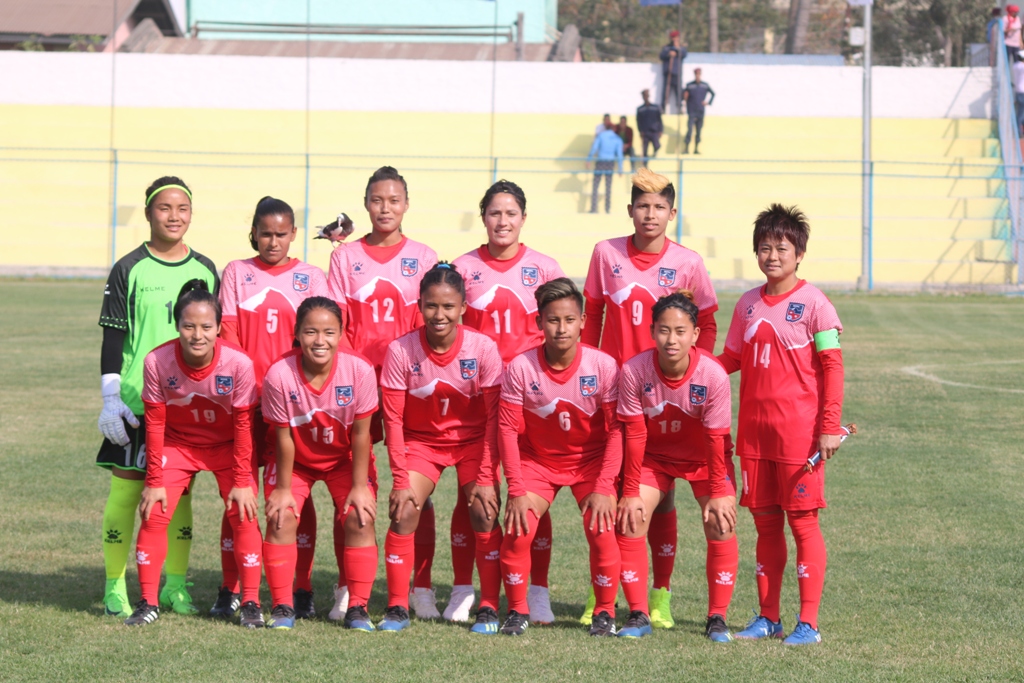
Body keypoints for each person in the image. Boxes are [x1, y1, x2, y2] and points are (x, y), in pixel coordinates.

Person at [582, 167, 718, 629]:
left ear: (672, 213)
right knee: (614, 494)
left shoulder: (689, 263)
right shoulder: (605, 254)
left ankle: (659, 595)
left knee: (661, 498)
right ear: (630, 211)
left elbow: (709, 326)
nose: (650, 214)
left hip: (667, 398)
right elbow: (593, 321)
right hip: (616, 399)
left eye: (659, 207)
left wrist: (696, 380)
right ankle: (601, 593)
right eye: (642, 206)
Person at [718, 204, 845, 646]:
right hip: (755, 435)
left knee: (803, 524)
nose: (772, 255)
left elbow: (832, 366)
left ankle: (807, 624)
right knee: (766, 526)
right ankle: (767, 618)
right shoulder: (748, 304)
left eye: (781, 247)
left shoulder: (816, 304)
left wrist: (829, 426)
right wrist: (689, 371)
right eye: (764, 247)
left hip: (799, 437)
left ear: (799, 253)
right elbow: (731, 358)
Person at [96, 176, 218, 618]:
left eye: (182, 208)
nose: (174, 216)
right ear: (148, 213)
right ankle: (114, 586)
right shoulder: (128, 268)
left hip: (187, 405)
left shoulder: (205, 269)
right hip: (136, 402)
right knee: (127, 497)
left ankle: (175, 586)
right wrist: (111, 397)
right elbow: (114, 339)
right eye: (164, 208)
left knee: (178, 497)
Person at [326, 165, 439, 620]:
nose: (385, 208)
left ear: (406, 204)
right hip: (355, 390)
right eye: (377, 200)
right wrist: (359, 377)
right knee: (351, 489)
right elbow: (335, 326)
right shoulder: (344, 258)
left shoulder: (426, 256)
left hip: (408, 391)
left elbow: (431, 324)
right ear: (366, 204)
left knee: (415, 489)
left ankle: (422, 588)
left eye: (394, 200)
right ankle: (344, 587)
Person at [452, 180, 566, 624]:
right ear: (483, 217)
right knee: (475, 495)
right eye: (495, 213)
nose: (503, 221)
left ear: (523, 218)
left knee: (533, 495)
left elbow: (561, 328)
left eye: (511, 213)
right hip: (475, 398)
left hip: (533, 398)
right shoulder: (463, 267)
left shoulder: (545, 267)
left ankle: (537, 591)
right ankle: (466, 589)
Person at [215, 196, 328, 620]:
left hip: (296, 405)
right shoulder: (237, 273)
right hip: (246, 404)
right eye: (266, 233)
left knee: (295, 493)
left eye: (282, 234)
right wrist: (245, 390)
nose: (273, 241)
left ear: (294, 234)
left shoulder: (311, 276)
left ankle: (301, 586)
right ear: (254, 234)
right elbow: (227, 336)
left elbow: (322, 339)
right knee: (239, 496)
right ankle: (231, 586)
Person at [124, 280, 263, 627]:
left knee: (243, 514)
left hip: (228, 446)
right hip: (178, 444)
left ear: (218, 328)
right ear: (177, 326)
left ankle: (249, 602)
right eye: (188, 325)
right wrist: (154, 480)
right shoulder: (157, 361)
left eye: (205, 326)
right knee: (154, 511)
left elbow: (245, 427)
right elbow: (154, 425)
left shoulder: (239, 364)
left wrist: (244, 480)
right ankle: (147, 602)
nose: (197, 335)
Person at [378, 263, 505, 634]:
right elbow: (394, 422)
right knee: (403, 510)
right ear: (419, 305)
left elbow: (495, 419)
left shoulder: (483, 348)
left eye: (449, 307)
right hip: (422, 443)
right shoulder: (401, 350)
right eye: (432, 306)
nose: (440, 315)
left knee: (483, 510)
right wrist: (400, 479)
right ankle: (399, 605)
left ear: (463, 307)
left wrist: (484, 476)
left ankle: (487, 606)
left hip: (472, 442)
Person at [498, 278, 623, 637]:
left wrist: (603, 485)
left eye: (569, 319)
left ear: (583, 320)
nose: (561, 328)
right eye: (553, 320)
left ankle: (604, 612)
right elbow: (507, 430)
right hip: (538, 462)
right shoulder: (521, 367)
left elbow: (617, 430)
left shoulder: (603, 366)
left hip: (591, 462)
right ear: (539, 322)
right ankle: (518, 611)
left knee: (600, 529)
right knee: (518, 530)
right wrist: (517, 489)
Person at [615, 291, 738, 641]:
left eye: (681, 331)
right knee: (630, 518)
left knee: (721, 521)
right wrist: (629, 491)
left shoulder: (713, 375)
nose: (672, 339)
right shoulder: (635, 370)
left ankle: (717, 618)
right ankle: (639, 614)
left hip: (703, 460)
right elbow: (635, 435)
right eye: (664, 330)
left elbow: (716, 440)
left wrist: (718, 492)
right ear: (652, 331)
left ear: (695, 334)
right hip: (654, 458)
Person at [260, 297, 379, 631]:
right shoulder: (279, 374)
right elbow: (283, 437)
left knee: (359, 516)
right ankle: (283, 606)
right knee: (280, 517)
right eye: (310, 332)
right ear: (297, 333)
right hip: (295, 461)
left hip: (345, 460)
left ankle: (357, 607)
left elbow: (361, 435)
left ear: (341, 334)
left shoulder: (359, 370)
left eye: (329, 332)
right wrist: (283, 490)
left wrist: (359, 487)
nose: (320, 340)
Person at [587, 121, 624, 214]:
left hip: (600, 161)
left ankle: (594, 208)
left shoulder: (601, 136)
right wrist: (620, 168)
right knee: (608, 186)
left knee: (595, 185)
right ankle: (607, 209)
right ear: (614, 129)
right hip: (610, 163)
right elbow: (619, 155)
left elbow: (594, 148)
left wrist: (589, 159)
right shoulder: (617, 138)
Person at [683, 68, 715, 155]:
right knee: (689, 130)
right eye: (696, 74)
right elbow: (684, 95)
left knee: (698, 130)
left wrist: (708, 102)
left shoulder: (705, 85)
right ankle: (686, 148)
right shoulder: (689, 85)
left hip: (700, 110)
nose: (697, 75)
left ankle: (696, 149)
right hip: (692, 111)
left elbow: (713, 94)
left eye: (699, 74)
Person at [659, 30, 687, 113]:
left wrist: (677, 49)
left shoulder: (681, 48)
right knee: (665, 92)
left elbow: (684, 54)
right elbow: (661, 56)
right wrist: (669, 54)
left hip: (677, 73)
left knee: (678, 92)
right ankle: (663, 109)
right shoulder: (666, 47)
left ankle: (679, 108)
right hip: (668, 73)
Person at [636, 89, 664, 167]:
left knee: (657, 145)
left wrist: (660, 130)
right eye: (644, 95)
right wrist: (640, 130)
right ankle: (645, 165)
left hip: (654, 131)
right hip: (645, 132)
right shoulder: (640, 109)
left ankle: (655, 152)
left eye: (646, 95)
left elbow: (659, 119)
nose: (646, 97)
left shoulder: (655, 107)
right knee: (644, 150)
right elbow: (638, 121)